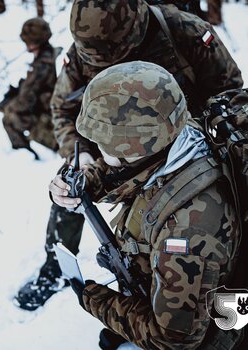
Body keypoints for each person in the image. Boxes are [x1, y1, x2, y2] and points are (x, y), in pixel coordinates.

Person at [14, 0, 243, 311]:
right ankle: (55, 269)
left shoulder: (185, 32)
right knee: (70, 190)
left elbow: (228, 94)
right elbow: (62, 108)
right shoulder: (87, 45)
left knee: (180, 228)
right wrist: (77, 154)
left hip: (183, 147)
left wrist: (192, 141)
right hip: (107, 145)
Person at [49, 61, 244, 349]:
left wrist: (94, 299)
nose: (99, 150)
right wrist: (84, 182)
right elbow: (125, 170)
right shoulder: (179, 131)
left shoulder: (186, 233)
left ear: (136, 148)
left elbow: (172, 339)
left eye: (106, 144)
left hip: (221, 323)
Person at [2, 17, 58, 159]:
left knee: (9, 117)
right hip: (48, 109)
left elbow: (24, 101)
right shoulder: (49, 53)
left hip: (47, 116)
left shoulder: (42, 65)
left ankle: (23, 156)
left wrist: (9, 105)